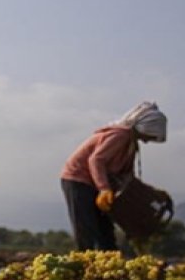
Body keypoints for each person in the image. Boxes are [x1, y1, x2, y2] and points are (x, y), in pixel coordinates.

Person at [60, 101, 169, 251]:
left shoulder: (130, 143)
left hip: (97, 182)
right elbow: (96, 160)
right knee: (86, 226)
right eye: (149, 136)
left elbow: (126, 177)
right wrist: (104, 189)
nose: (147, 141)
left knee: (105, 229)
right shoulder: (120, 135)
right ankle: (84, 262)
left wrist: (153, 191)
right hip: (78, 179)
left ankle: (108, 261)